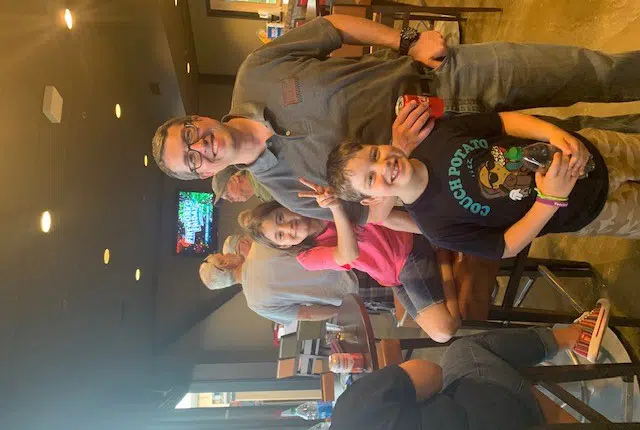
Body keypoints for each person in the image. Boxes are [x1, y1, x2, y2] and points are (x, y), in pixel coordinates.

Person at [152, 15, 640, 225]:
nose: (201, 147)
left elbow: (331, 27)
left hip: (447, 76)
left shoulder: (255, 71)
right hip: (462, 154)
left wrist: (407, 41)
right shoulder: (286, 191)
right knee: (585, 142)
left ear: (196, 118)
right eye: (191, 160)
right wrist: (401, 155)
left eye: (189, 134)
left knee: (586, 70)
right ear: (205, 173)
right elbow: (374, 215)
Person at [327, 112, 640, 259]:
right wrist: (549, 199)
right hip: (590, 210)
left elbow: (501, 122)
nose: (384, 166)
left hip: (590, 150)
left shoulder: (438, 136)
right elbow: (505, 246)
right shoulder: (437, 228)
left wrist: (553, 133)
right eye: (371, 179)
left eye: (375, 155)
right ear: (370, 199)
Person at [330, 299, 611, 430]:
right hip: (488, 413)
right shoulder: (348, 414)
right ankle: (576, 335)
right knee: (463, 351)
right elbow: (432, 375)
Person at [243, 178, 463, 342]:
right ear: (283, 246)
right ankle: (441, 253)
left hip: (405, 249)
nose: (287, 227)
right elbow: (347, 254)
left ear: (285, 206)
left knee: (443, 331)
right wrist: (335, 209)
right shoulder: (307, 256)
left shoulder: (318, 203)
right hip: (393, 278)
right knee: (434, 330)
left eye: (280, 217)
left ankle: (439, 247)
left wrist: (333, 204)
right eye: (280, 235)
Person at [199, 235, 392, 324]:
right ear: (224, 264)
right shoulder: (261, 243)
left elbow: (306, 314)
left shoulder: (256, 304)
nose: (227, 253)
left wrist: (341, 309)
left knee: (401, 296)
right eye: (221, 255)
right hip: (352, 256)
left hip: (353, 294)